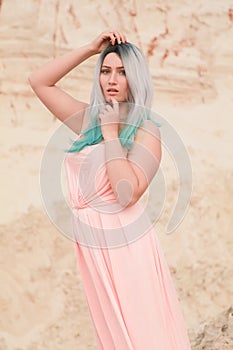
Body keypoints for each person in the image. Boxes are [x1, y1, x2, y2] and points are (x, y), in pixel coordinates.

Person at [29, 30, 191, 349]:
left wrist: (111, 135)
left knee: (142, 332)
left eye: (122, 72)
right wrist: (90, 49)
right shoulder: (91, 120)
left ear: (136, 79)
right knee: (114, 335)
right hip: (93, 244)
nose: (111, 80)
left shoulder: (147, 130)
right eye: (106, 71)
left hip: (126, 244)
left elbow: (126, 192)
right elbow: (38, 81)